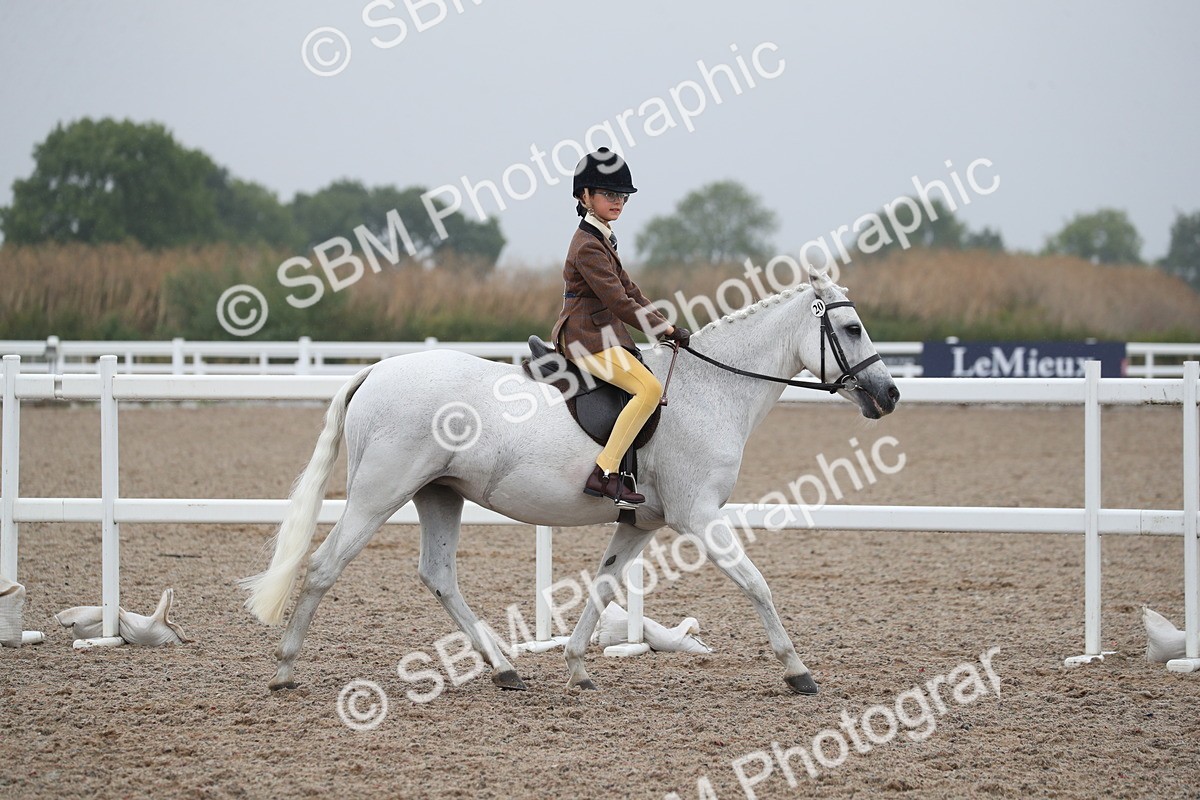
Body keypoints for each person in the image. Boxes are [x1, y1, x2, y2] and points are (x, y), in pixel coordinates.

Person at [550, 148, 690, 506]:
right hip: (584, 338)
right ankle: (605, 472)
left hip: (603, 334)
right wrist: (664, 332)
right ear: (585, 196)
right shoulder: (587, 247)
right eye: (610, 194)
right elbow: (618, 303)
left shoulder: (602, 237)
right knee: (648, 389)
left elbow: (631, 291)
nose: (618, 202)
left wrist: (667, 324)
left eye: (622, 196)